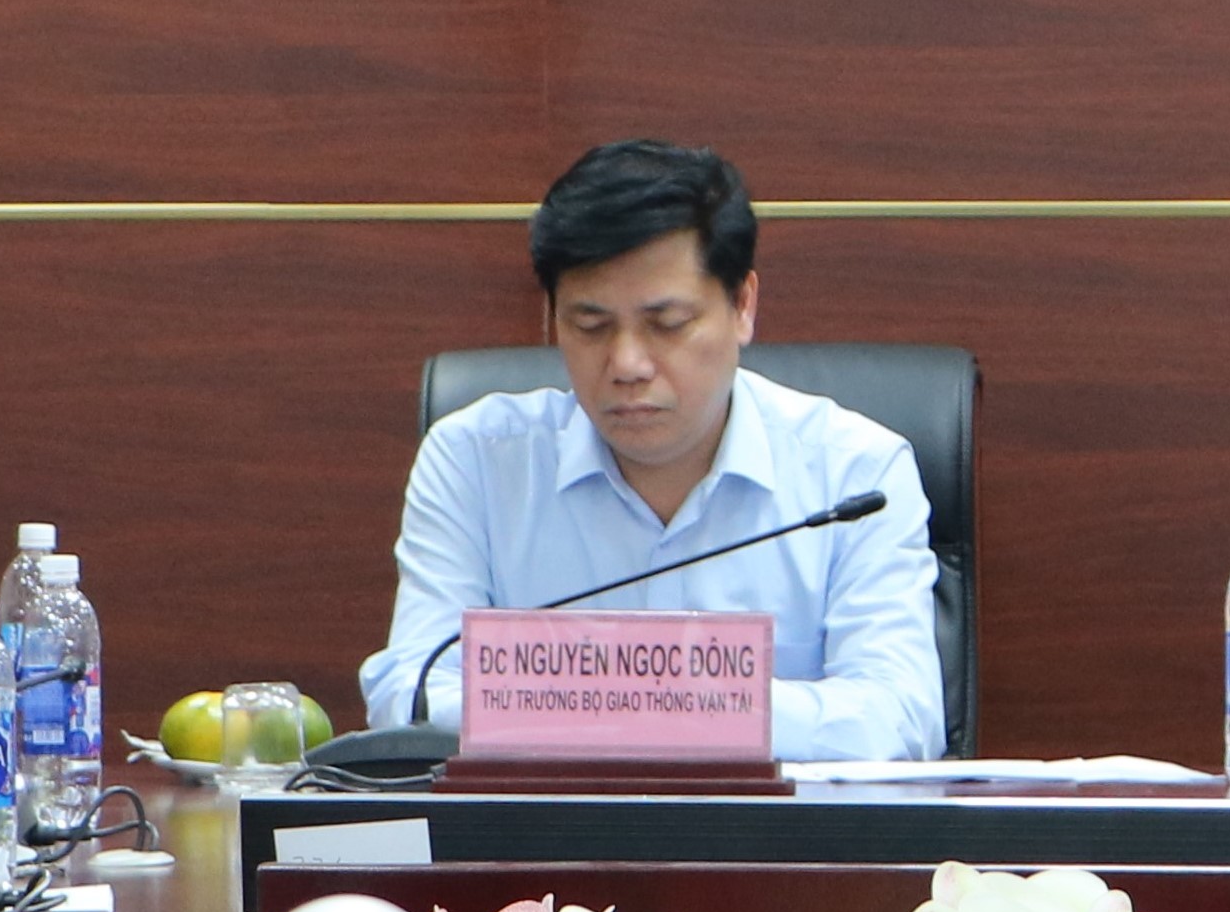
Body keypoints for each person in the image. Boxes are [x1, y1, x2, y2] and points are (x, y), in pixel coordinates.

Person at [359, 141, 946, 761]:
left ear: (742, 306)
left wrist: (630, 700)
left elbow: (900, 721)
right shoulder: (477, 462)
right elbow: (410, 694)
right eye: (590, 326)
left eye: (666, 324)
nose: (628, 365)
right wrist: (676, 703)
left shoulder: (854, 475)